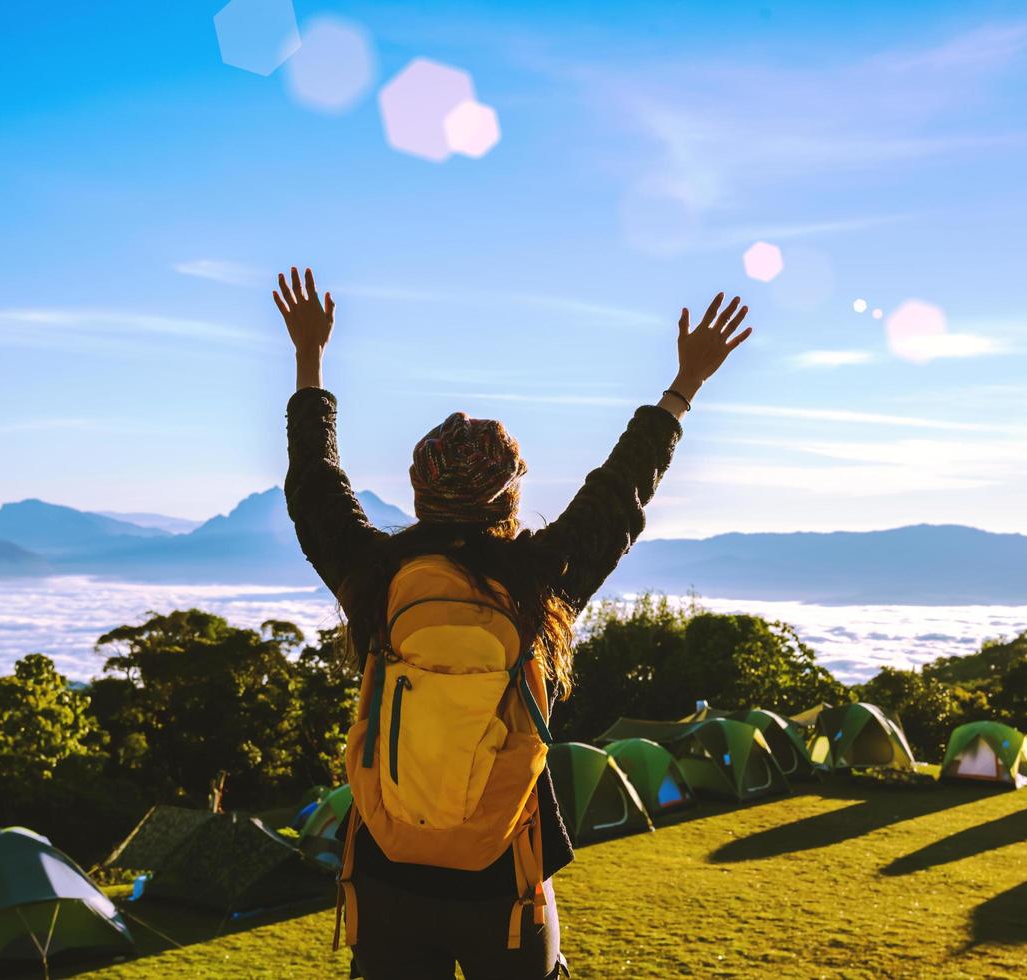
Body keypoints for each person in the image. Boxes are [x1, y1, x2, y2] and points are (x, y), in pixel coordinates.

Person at [276, 265, 750, 979]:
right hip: (504, 876)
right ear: (511, 494)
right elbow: (618, 491)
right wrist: (684, 386)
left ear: (417, 488)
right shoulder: (540, 583)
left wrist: (309, 359)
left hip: (385, 869)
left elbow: (316, 482)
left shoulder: (377, 580)